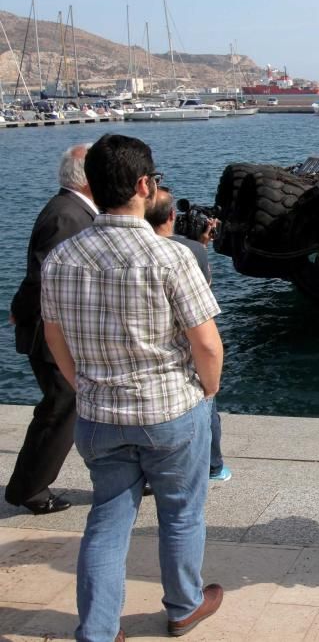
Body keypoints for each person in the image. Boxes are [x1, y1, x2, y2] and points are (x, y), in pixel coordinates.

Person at [41, 134, 225, 641]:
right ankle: (184, 607)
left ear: (93, 187)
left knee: (108, 517)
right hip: (170, 411)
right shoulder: (170, 257)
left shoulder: (62, 258)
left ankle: (97, 631)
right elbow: (207, 345)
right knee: (182, 514)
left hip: (100, 415)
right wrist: (207, 393)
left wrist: (85, 385)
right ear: (144, 185)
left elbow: (56, 341)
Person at [6, 143, 97, 515]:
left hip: (59, 332)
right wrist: (21, 311)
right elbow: (45, 278)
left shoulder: (73, 211)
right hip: (52, 336)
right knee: (61, 408)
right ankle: (29, 489)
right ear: (89, 179)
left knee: (76, 406)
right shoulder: (67, 216)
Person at [145, 187, 231, 484]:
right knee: (208, 409)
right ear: (171, 215)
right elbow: (201, 302)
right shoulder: (189, 251)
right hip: (182, 353)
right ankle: (214, 466)